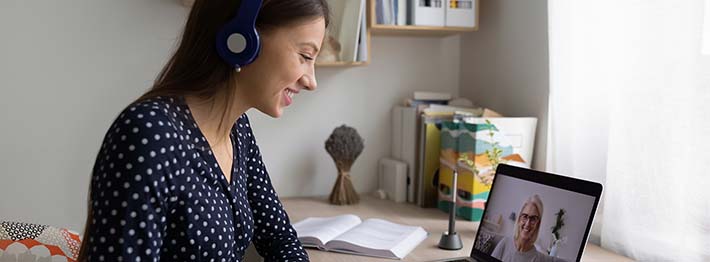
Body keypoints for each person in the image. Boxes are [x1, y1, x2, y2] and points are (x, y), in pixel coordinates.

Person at [77, 0, 329, 260]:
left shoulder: (237, 130)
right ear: (242, 39)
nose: (311, 81)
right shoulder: (149, 135)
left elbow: (280, 238)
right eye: (305, 56)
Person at [491, 195, 563, 262]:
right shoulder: (505, 243)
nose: (527, 223)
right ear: (519, 219)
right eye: (525, 216)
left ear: (537, 224)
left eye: (533, 219)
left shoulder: (536, 258)